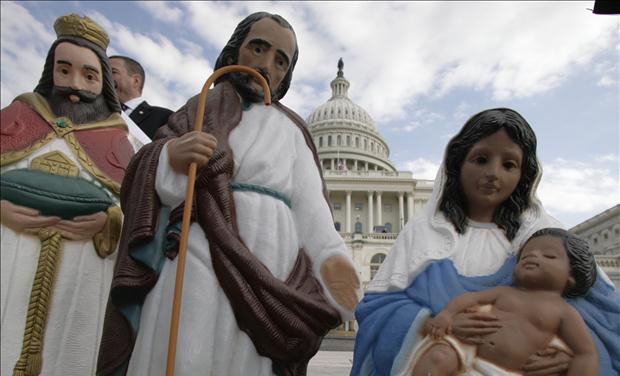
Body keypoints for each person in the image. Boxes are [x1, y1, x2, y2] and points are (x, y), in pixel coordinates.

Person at [97, 11, 361, 376]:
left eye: (280, 60)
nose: (266, 65)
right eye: (258, 48)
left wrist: (339, 274)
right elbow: (147, 169)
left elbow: (316, 222)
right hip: (197, 253)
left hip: (271, 274)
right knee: (186, 356)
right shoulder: (199, 108)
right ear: (235, 50)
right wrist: (169, 157)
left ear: (287, 74)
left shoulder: (292, 130)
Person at [351, 108, 620, 375]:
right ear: (457, 163)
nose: (493, 173)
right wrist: (431, 322)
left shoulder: (544, 235)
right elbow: (378, 309)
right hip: (448, 356)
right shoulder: (423, 232)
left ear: (524, 174)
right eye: (481, 159)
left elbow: (603, 315)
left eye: (509, 165)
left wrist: (568, 355)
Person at [0, 13, 138, 376]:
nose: (74, 84)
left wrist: (108, 221)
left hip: (80, 274)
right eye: (65, 71)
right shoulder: (13, 117)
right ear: (51, 71)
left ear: (102, 82)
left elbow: (135, 212)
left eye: (89, 75)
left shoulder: (120, 142)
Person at [412, 228, 599, 376]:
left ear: (571, 277)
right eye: (525, 256)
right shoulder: (505, 292)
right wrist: (447, 314)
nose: (533, 256)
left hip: (518, 370)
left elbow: (586, 353)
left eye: (549, 256)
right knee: (437, 358)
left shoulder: (563, 311)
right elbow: (470, 299)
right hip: (471, 361)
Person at [110, 55, 173, 139]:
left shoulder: (166, 117)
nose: (105, 77)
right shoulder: (97, 113)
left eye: (113, 72)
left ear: (136, 81)